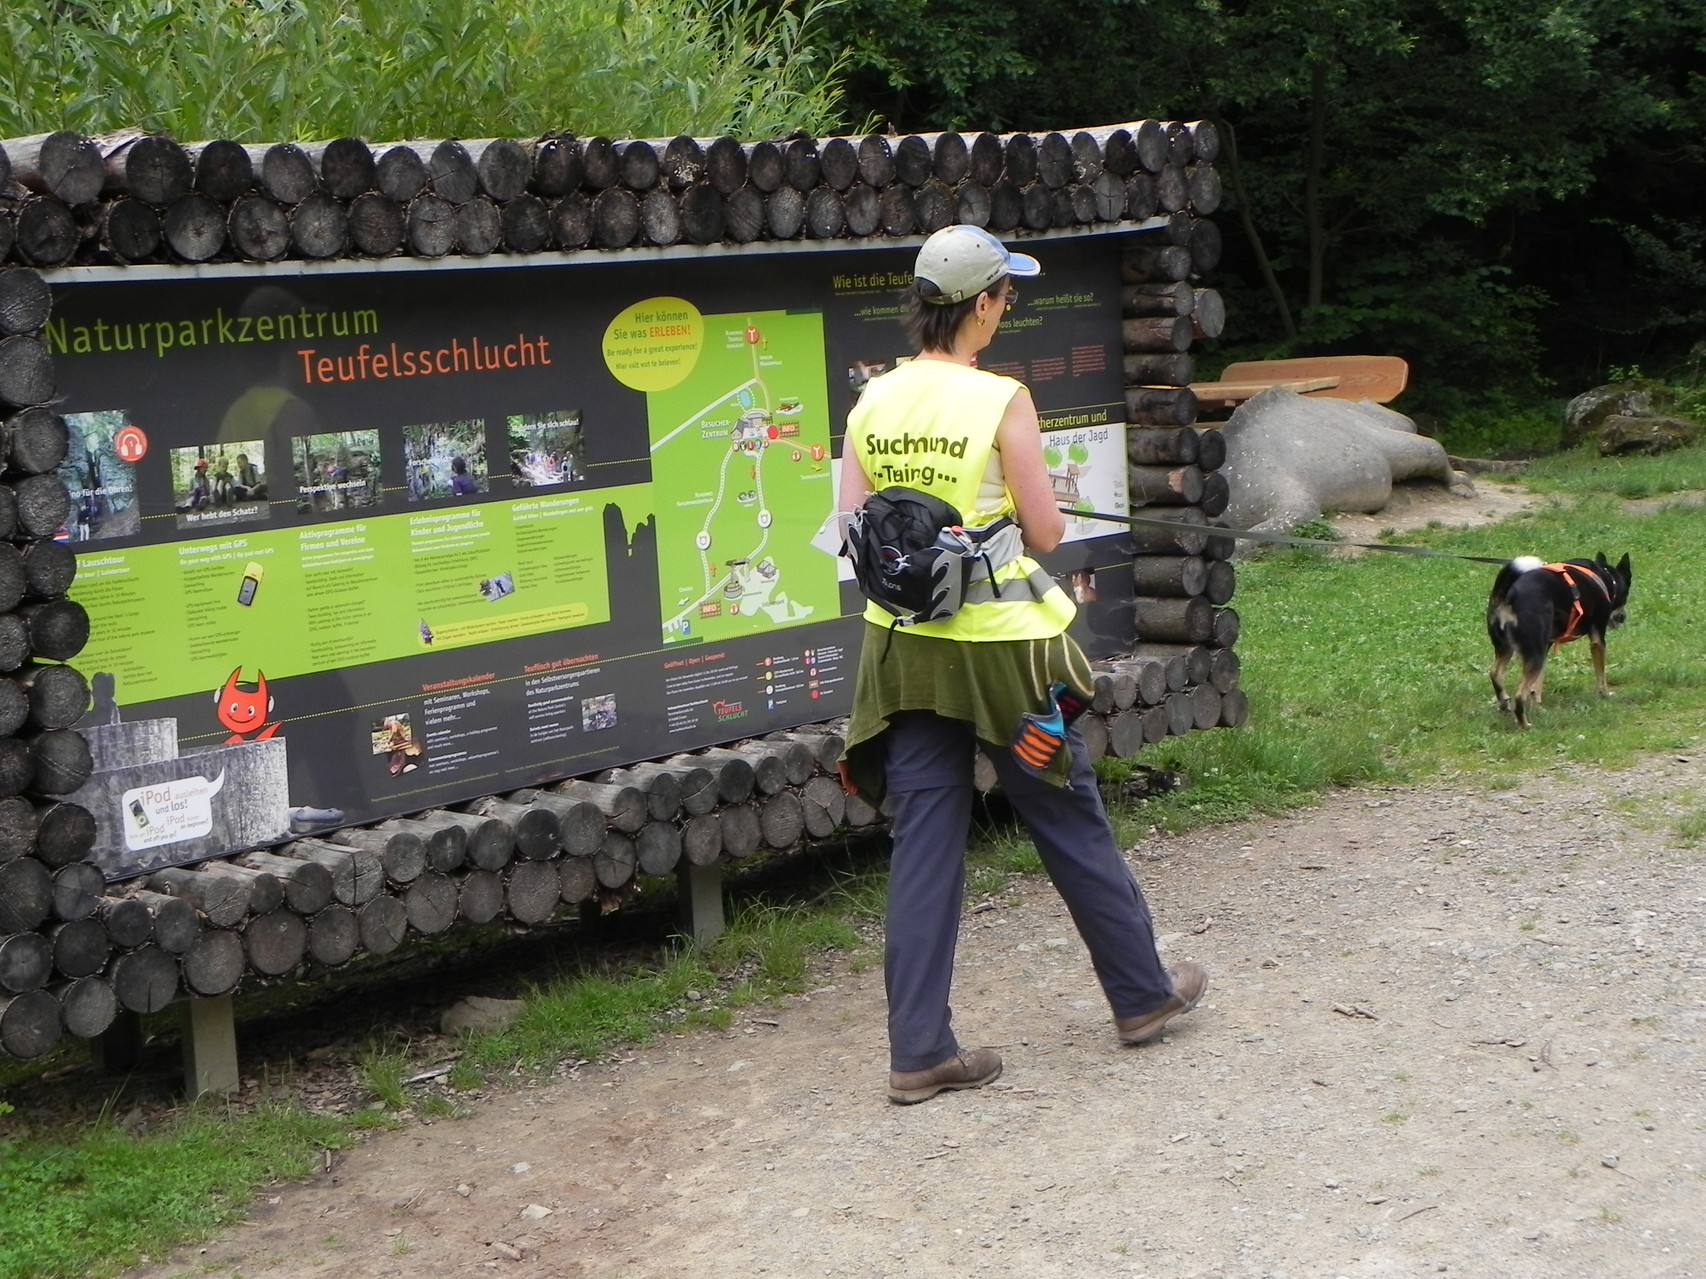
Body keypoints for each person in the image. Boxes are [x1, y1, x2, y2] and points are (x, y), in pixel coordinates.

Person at [837, 225, 1208, 1105]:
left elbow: (854, 529)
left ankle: (919, 1049)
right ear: (983, 304)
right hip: (1005, 653)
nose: (1009, 310)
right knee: (1065, 813)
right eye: (1007, 296)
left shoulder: (871, 400)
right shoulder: (1001, 399)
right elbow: (1044, 534)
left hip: (907, 651)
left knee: (926, 835)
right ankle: (1142, 995)